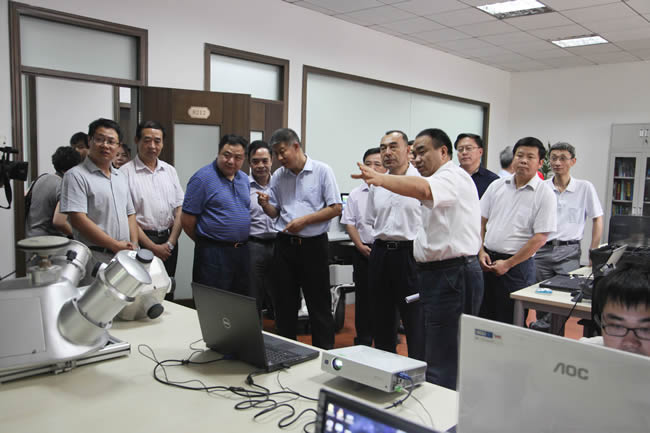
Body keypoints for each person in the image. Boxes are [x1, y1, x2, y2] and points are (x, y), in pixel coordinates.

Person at [353, 128, 482, 389]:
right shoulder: (433, 179)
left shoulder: (451, 176)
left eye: (422, 152)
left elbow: (423, 190)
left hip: (450, 273)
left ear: (443, 152)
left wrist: (380, 179)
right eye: (416, 153)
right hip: (427, 268)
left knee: (440, 350)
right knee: (431, 342)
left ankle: (439, 404)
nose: (417, 158)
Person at [257, 128, 341, 349]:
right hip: (285, 246)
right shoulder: (279, 176)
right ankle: (286, 352)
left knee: (319, 304)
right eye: (276, 154)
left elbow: (335, 208)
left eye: (282, 151)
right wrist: (265, 205)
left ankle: (324, 353)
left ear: (296, 146)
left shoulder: (322, 171)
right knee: (284, 304)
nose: (279, 158)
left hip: (314, 246)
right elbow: (275, 212)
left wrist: (305, 221)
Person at [479, 137, 557, 324]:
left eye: (530, 157)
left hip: (516, 268)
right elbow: (480, 221)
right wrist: (480, 251)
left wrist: (508, 264)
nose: (523, 160)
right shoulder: (497, 186)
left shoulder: (545, 194)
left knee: (509, 321)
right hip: (486, 261)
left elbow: (540, 238)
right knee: (482, 321)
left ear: (540, 163)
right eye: (519, 155)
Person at [363, 130, 425, 361]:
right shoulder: (377, 184)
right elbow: (371, 219)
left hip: (410, 254)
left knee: (414, 318)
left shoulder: (422, 182)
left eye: (393, 147)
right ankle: (384, 366)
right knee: (381, 317)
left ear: (408, 150)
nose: (387, 152)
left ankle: (419, 369)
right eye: (383, 148)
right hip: (381, 253)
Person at [531, 141, 604, 332]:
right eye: (554, 158)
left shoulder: (584, 187)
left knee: (565, 297)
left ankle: (543, 328)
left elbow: (597, 218)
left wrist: (594, 250)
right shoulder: (542, 187)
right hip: (542, 251)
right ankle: (545, 334)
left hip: (569, 251)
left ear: (573, 161)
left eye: (563, 158)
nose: (557, 163)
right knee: (541, 298)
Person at [61, 118, 138, 267]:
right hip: (94, 256)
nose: (105, 145)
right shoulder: (75, 175)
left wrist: (134, 244)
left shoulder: (120, 176)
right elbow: (78, 220)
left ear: (118, 146)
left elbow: (130, 213)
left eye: (111, 141)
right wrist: (114, 245)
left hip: (124, 256)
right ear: (90, 140)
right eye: (99, 139)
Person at [182, 134, 250, 295]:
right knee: (212, 301)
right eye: (227, 155)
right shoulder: (202, 178)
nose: (231, 161)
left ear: (243, 159)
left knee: (238, 300)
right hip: (213, 254)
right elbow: (187, 220)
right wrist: (207, 243)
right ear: (218, 153)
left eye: (237, 157)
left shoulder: (244, 179)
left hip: (241, 252)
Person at [120, 121, 184, 292]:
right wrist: (152, 247)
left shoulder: (170, 171)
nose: (153, 146)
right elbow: (128, 216)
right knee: (142, 291)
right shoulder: (124, 173)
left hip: (169, 241)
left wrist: (170, 243)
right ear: (137, 140)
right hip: (142, 242)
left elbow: (180, 209)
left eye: (157, 141)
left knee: (166, 288)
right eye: (147, 140)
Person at [341, 147, 386, 346]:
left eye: (377, 164)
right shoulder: (355, 194)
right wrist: (359, 245)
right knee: (364, 299)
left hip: (385, 251)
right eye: (368, 164)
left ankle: (386, 340)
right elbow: (349, 222)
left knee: (386, 299)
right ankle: (363, 340)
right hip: (363, 251)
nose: (372, 168)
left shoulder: (393, 190)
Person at [583, 263, 650, 357]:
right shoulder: (584, 352)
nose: (629, 343)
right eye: (617, 326)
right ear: (601, 323)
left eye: (646, 329)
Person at [248, 140, 277, 315]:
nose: (260, 165)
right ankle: (254, 331)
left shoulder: (280, 183)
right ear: (249, 162)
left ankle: (282, 330)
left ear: (271, 160)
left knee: (282, 293)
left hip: (279, 245)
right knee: (253, 295)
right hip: (253, 245)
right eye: (255, 161)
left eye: (265, 160)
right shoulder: (242, 185)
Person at [25, 146, 80, 238]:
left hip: (29, 238)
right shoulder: (65, 187)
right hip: (50, 242)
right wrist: (77, 235)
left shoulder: (40, 179)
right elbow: (59, 222)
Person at [454, 133, 499, 198]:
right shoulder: (451, 177)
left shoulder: (493, 180)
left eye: (468, 148)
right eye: (460, 149)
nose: (464, 152)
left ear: (480, 152)